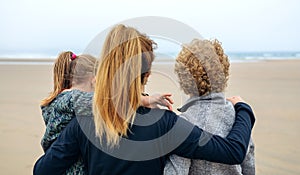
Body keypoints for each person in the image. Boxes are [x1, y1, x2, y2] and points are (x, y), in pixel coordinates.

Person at [33, 24, 255, 175]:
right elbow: (232, 151)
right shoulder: (164, 123)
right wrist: (243, 109)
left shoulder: (83, 125)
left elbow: (41, 170)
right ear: (146, 75)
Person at [164, 39, 255, 175]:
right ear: (223, 73)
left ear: (184, 78)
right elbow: (249, 163)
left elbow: (176, 171)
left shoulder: (185, 121)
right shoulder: (240, 117)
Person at [40, 52, 98, 174]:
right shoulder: (71, 99)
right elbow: (102, 104)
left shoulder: (60, 101)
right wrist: (136, 100)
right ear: (94, 79)